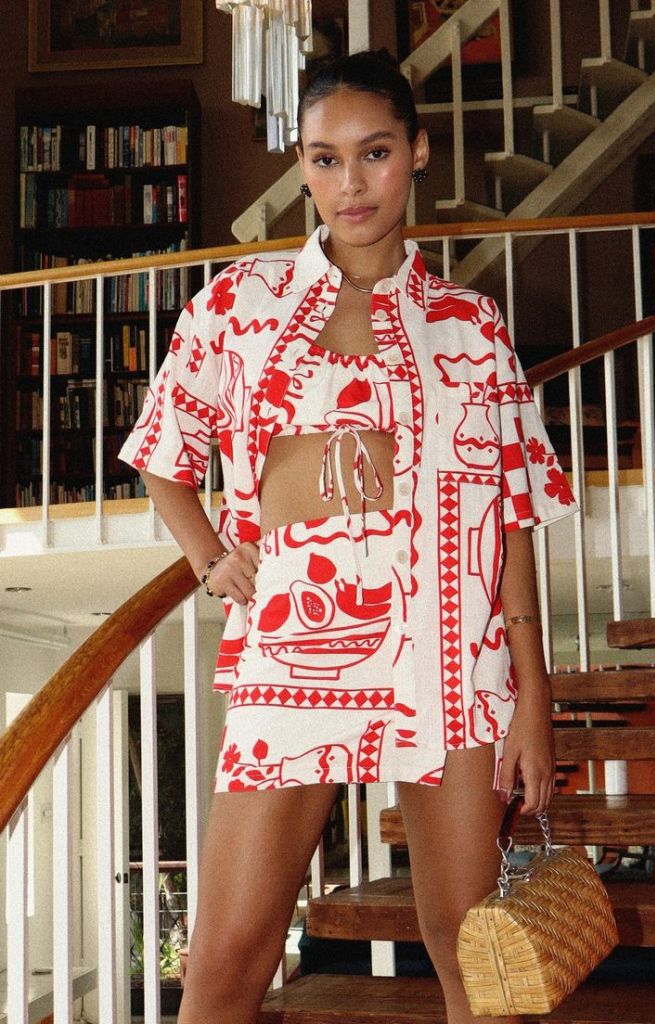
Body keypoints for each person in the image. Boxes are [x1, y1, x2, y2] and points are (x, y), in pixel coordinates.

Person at [119, 49, 576, 1024]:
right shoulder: (239, 304)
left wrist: (531, 690)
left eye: (371, 153)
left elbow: (513, 508)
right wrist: (208, 552)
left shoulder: (471, 324)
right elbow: (163, 448)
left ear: (415, 152)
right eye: (322, 160)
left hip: (452, 662)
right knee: (222, 966)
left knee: (474, 961)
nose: (349, 183)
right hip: (290, 653)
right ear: (301, 165)